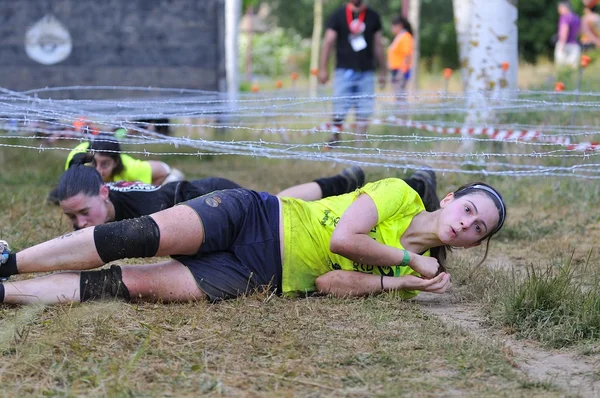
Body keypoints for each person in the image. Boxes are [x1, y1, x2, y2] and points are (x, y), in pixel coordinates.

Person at [0, 172, 505, 305]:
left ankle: (6, 292)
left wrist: (402, 284)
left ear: (470, 244)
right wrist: (407, 261)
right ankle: (11, 261)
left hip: (258, 275)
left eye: (477, 228)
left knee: (131, 286)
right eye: (468, 210)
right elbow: (346, 239)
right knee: (135, 235)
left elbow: (329, 282)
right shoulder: (399, 193)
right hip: (257, 217)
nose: (465, 224)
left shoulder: (406, 272)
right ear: (451, 198)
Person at [54, 163, 368, 230]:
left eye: (83, 212)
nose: (80, 224)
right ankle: (342, 183)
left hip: (214, 194)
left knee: (280, 208)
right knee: (278, 201)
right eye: (72, 217)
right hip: (200, 191)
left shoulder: (147, 209)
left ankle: (345, 187)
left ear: (104, 193)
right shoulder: (107, 203)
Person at [318, 0, 387, 147]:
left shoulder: (373, 16)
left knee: (364, 109)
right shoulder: (337, 15)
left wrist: (383, 70)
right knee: (339, 107)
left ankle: (359, 143)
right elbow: (328, 41)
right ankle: (335, 138)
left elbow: (378, 44)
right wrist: (323, 68)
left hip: (367, 72)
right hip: (343, 71)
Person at [65, 131, 184, 185]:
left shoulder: (129, 167)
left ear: (115, 163)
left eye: (105, 164)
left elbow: (164, 170)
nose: (98, 170)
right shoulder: (77, 163)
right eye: (94, 163)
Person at [388, 15, 414, 102]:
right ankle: (399, 115)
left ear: (399, 25)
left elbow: (407, 55)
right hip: (396, 69)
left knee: (401, 96)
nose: (391, 28)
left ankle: (402, 115)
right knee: (398, 96)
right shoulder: (400, 36)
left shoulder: (405, 37)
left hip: (401, 70)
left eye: (393, 26)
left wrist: (401, 72)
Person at [555, 1, 581, 68]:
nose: (558, 11)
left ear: (564, 8)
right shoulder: (576, 17)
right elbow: (579, 32)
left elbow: (564, 31)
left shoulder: (565, 17)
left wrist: (562, 44)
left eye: (559, 8)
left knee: (561, 68)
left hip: (565, 44)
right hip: (575, 45)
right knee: (572, 68)